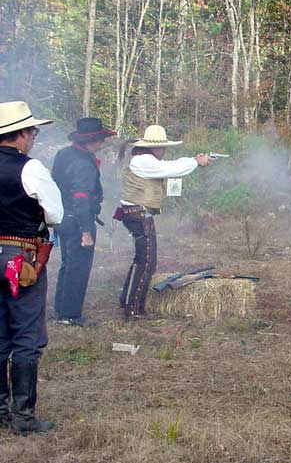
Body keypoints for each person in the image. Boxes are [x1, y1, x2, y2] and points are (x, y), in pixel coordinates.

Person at [0, 101, 63, 434]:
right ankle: (23, 417)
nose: (34, 138)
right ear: (21, 135)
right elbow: (55, 215)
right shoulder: (31, 168)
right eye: (32, 132)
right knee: (26, 336)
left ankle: (1, 411)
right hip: (20, 258)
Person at [118, 125, 212, 319]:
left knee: (141, 261)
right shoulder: (143, 160)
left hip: (137, 214)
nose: (163, 151)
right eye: (162, 147)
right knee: (147, 263)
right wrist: (195, 161)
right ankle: (134, 309)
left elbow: (170, 165)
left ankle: (127, 301)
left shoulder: (143, 159)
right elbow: (170, 168)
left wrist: (193, 161)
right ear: (154, 147)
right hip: (139, 216)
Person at [52, 118, 116, 327]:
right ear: (92, 140)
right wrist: (86, 231)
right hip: (78, 220)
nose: (102, 144)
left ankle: (61, 310)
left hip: (63, 217)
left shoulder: (64, 154)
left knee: (68, 265)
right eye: (100, 140)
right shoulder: (83, 164)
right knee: (78, 268)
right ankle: (70, 315)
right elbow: (80, 198)